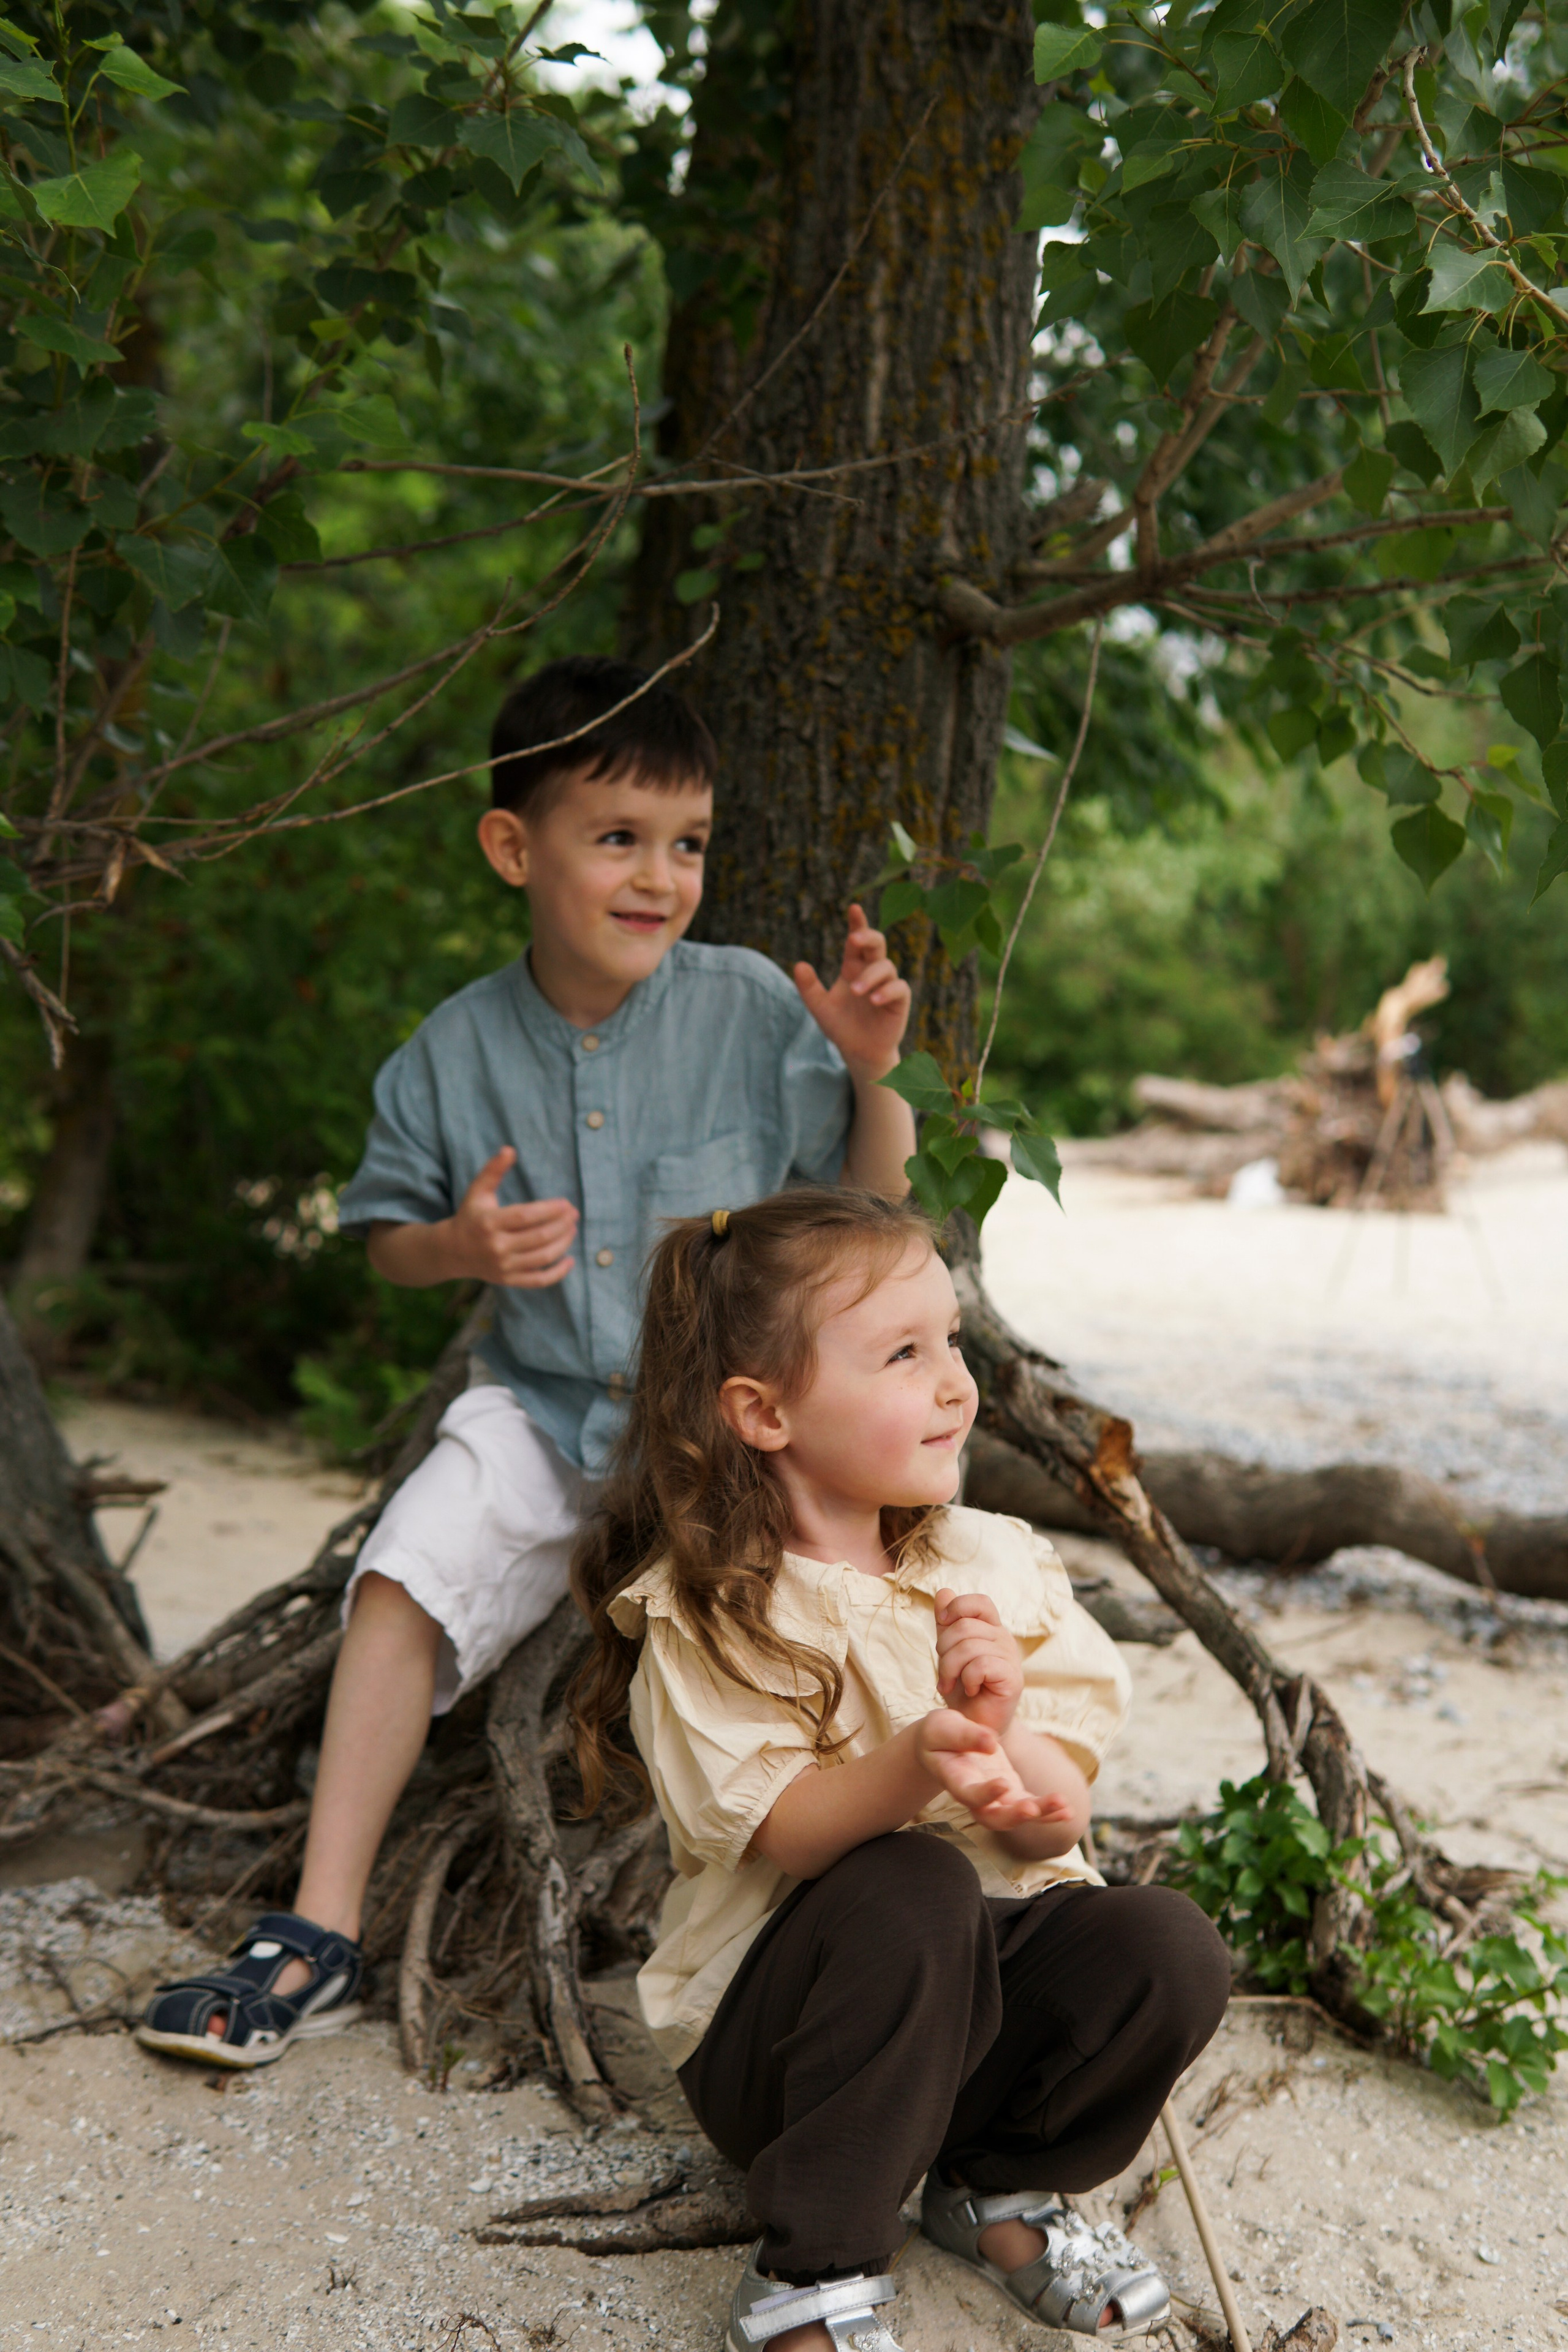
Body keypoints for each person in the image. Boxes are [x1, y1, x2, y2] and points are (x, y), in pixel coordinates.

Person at [136, 656, 916, 2069]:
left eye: (685, 845)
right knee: (404, 1566)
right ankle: (317, 1929)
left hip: (727, 1432)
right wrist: (463, 1247)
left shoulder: (747, 1009)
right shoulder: (450, 1050)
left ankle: (857, 1944)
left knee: (837, 1631)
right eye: (615, 838)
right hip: (545, 1412)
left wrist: (871, 1071)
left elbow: (869, 1222)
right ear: (515, 847)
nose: (656, 877)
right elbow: (382, 1240)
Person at [570, 1188, 1231, 2352]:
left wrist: (1003, 1727)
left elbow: (1052, 1826)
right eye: (903, 1354)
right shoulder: (715, 1607)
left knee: (1164, 1944)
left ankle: (997, 2185)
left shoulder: (988, 1563)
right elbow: (796, 1835)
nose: (956, 1383)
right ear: (763, 1413)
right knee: (913, 1885)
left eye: (954, 1342)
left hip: (967, 2026)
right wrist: (921, 1754)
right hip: (785, 2048)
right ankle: (813, 2272)